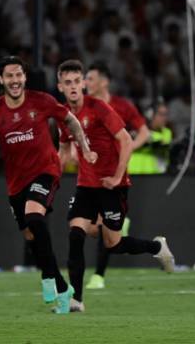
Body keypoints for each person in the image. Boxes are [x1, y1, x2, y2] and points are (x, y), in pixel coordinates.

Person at [0, 55, 97, 314]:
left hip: (45, 171)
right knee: (31, 236)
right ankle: (60, 284)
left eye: (18, 75)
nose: (15, 81)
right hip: (16, 184)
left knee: (34, 215)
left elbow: (70, 120)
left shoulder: (42, 101)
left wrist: (85, 149)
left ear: (24, 77)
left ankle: (50, 279)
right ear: (1, 79)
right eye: (9, 76)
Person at [56, 59, 175, 312]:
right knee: (75, 234)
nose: (75, 86)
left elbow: (125, 140)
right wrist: (53, 173)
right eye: (69, 82)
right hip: (86, 186)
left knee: (114, 243)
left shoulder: (99, 108)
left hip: (113, 186)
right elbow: (65, 148)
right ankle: (76, 299)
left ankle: (156, 247)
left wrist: (116, 176)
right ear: (61, 87)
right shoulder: (62, 116)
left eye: (78, 81)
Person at [83, 62, 151, 289]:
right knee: (92, 229)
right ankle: (124, 224)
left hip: (114, 175)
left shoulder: (121, 105)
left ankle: (98, 276)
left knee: (101, 226)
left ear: (104, 81)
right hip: (91, 173)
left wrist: (128, 150)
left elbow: (144, 131)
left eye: (90, 78)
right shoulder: (84, 107)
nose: (86, 83)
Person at [128, 102, 173, 174]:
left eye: (166, 115)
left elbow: (163, 145)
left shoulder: (167, 132)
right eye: (161, 114)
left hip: (156, 174)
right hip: (134, 172)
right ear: (150, 115)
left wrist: (146, 140)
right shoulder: (136, 130)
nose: (164, 118)